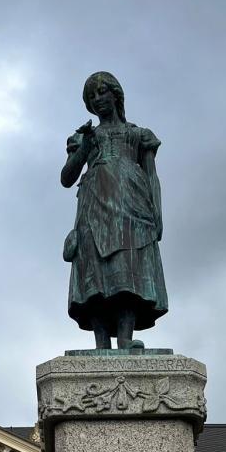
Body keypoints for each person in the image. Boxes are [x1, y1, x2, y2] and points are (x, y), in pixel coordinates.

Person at [60, 71, 168, 349]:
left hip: (132, 205)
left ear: (115, 94)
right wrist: (84, 148)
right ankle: (101, 343)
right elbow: (67, 177)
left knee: (127, 268)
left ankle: (124, 338)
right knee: (93, 271)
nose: (97, 99)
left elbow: (151, 175)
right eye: (91, 96)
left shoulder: (138, 134)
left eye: (102, 92)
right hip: (92, 206)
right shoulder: (83, 137)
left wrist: (157, 213)